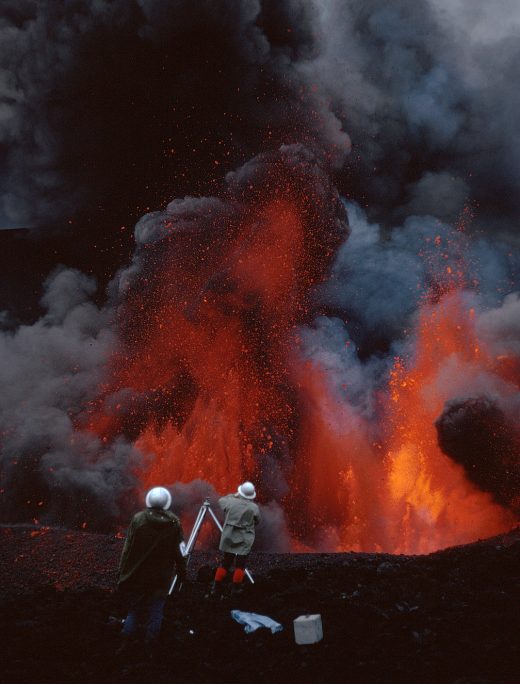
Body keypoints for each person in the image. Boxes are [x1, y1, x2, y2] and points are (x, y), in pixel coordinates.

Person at [117, 486, 186, 651]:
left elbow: (128, 548)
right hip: (161, 576)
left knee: (135, 610)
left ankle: (126, 642)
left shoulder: (138, 520)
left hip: (138, 573)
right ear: (166, 503)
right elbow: (181, 551)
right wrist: (182, 571)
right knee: (156, 610)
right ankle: (150, 646)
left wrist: (123, 572)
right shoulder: (174, 523)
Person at [211, 481, 260, 596]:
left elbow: (221, 500)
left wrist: (235, 495)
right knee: (240, 564)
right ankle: (236, 588)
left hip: (229, 536)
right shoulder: (253, 507)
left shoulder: (230, 502)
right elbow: (257, 520)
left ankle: (216, 587)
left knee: (226, 562)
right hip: (244, 538)